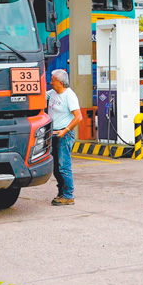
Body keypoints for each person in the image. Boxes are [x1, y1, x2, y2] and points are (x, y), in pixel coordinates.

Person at [46, 69, 82, 206]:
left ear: (60, 82)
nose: (51, 82)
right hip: (53, 134)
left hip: (64, 135)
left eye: (53, 80)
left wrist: (65, 130)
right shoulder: (53, 93)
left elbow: (79, 117)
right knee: (56, 167)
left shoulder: (69, 96)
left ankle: (68, 195)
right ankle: (61, 192)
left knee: (64, 166)